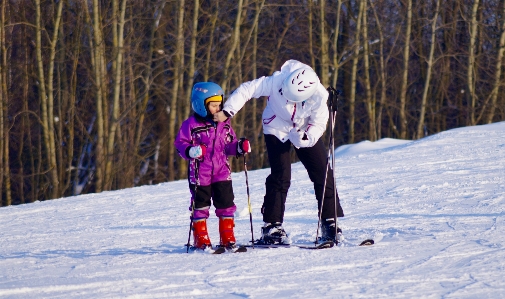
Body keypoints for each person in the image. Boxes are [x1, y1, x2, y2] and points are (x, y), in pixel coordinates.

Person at [213, 60, 344, 245]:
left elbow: (319, 123)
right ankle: (272, 226)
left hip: (304, 128)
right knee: (281, 175)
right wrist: (228, 110)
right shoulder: (277, 81)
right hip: (276, 126)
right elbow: (247, 89)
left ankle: (330, 222)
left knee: (323, 173)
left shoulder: (320, 96)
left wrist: (307, 137)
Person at [175, 82, 251, 249]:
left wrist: (239, 147)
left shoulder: (224, 123)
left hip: (222, 171)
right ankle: (200, 238)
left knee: (226, 203)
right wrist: (190, 150)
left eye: (219, 105)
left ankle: (227, 237)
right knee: (201, 205)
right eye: (214, 105)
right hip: (200, 173)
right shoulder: (191, 125)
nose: (218, 109)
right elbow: (180, 144)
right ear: (201, 105)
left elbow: (228, 145)